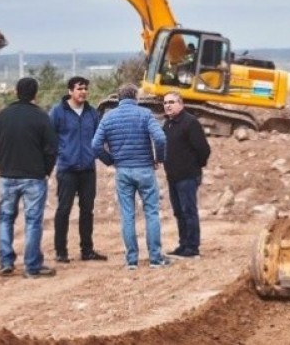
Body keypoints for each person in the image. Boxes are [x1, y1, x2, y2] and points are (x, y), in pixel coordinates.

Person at [91, 83, 170, 270]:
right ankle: (155, 259)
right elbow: (160, 138)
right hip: (144, 169)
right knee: (151, 213)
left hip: (123, 171)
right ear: (136, 97)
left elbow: (95, 145)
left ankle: (132, 260)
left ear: (118, 98)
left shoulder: (108, 117)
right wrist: (159, 158)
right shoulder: (145, 114)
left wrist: (111, 160)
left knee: (127, 215)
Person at [0, 77, 58, 278]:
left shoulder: (3, 116)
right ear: (35, 93)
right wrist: (45, 170)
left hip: (8, 176)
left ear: (16, 92)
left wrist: (3, 164)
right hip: (34, 177)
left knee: (5, 219)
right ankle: (31, 266)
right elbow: (52, 149)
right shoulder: (42, 117)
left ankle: (6, 262)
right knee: (33, 221)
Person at [49, 76, 108, 263]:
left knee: (87, 210)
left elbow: (99, 138)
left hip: (88, 170)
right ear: (70, 91)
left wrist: (100, 156)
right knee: (64, 210)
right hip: (67, 169)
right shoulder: (58, 112)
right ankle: (61, 251)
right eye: (79, 88)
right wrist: (62, 154)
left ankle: (87, 250)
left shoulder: (92, 113)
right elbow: (50, 138)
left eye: (85, 89)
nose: (83, 92)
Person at [162, 92, 210, 259]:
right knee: (178, 212)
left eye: (172, 102)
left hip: (187, 176)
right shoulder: (167, 124)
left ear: (180, 104)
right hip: (173, 176)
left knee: (189, 211)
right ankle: (183, 245)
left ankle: (192, 247)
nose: (168, 105)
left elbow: (203, 149)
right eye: (165, 102)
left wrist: (196, 167)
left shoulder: (190, 123)